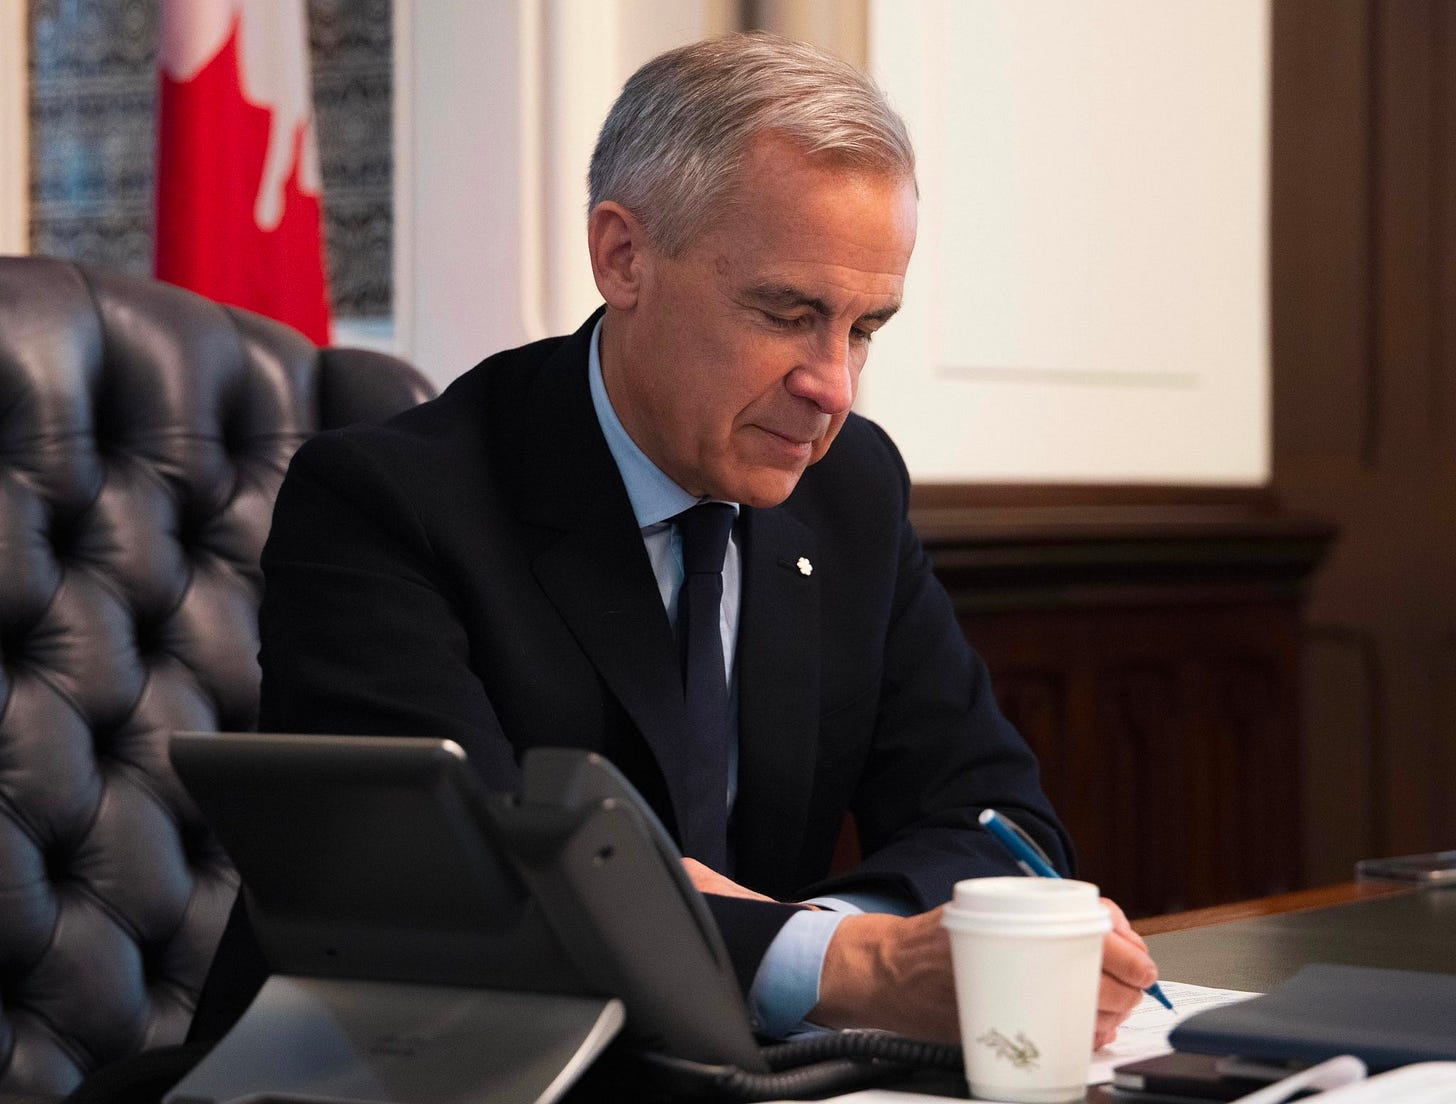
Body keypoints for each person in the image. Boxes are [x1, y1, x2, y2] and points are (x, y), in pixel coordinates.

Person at [197, 31, 1158, 1048]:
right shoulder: (385, 504)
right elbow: (468, 900)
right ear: (622, 257)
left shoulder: (850, 490)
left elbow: (1001, 829)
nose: (834, 385)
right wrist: (848, 964)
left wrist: (810, 950)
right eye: (787, 313)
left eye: (864, 327)